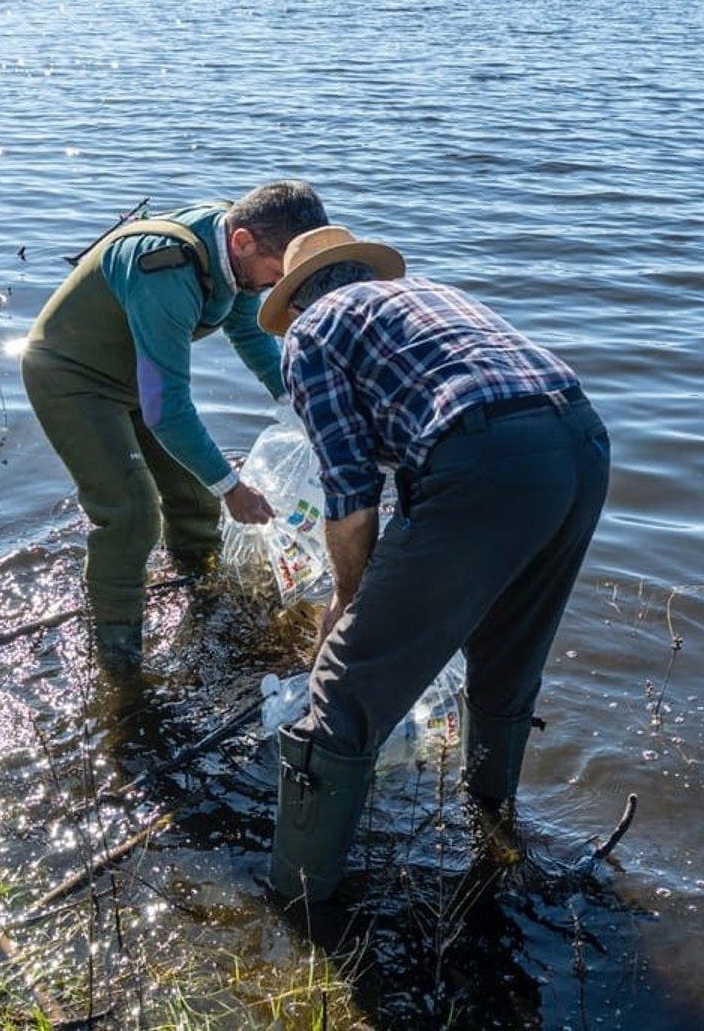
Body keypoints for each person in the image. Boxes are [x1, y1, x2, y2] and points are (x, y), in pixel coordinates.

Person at [258, 225, 610, 903]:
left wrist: (349, 601)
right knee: (509, 656)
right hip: (583, 443)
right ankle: (495, 828)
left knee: (345, 685)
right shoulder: (430, 297)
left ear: (296, 300)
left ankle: (299, 901)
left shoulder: (311, 333)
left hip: (483, 458)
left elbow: (350, 492)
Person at [20, 181, 329, 666]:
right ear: (243, 241)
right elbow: (167, 408)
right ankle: (119, 657)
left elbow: (248, 332)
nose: (275, 287)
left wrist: (298, 403)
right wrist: (233, 487)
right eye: (274, 275)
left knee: (191, 494)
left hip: (139, 372)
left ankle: (199, 585)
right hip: (73, 377)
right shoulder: (164, 269)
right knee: (130, 512)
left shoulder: (238, 250)